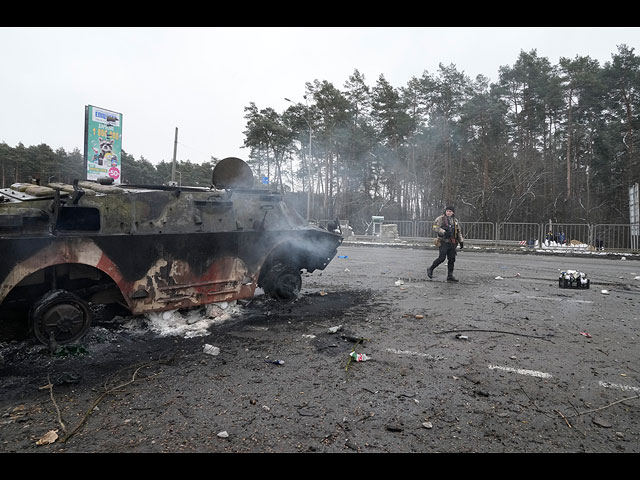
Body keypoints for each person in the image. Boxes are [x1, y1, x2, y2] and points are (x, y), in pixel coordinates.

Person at [427, 206, 464, 282]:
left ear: (453, 212)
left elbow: (458, 232)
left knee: (452, 259)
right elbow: (435, 227)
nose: (448, 212)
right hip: (443, 241)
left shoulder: (455, 221)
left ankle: (450, 276)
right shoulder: (440, 218)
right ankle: (430, 268)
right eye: (447, 211)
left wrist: (461, 241)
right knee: (442, 258)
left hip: (452, 243)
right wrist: (443, 232)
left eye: (450, 211)